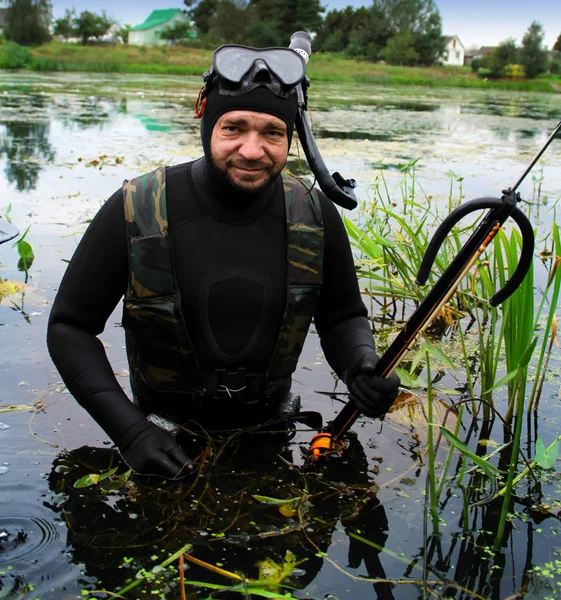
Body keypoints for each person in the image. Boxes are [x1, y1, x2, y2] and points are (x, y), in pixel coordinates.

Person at [46, 39, 400, 480]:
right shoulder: (138, 206)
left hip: (272, 431)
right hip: (161, 439)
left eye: (272, 132)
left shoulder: (315, 214)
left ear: (290, 137)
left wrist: (360, 365)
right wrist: (130, 432)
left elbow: (343, 316)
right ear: (207, 124)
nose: (252, 150)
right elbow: (69, 327)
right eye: (233, 127)